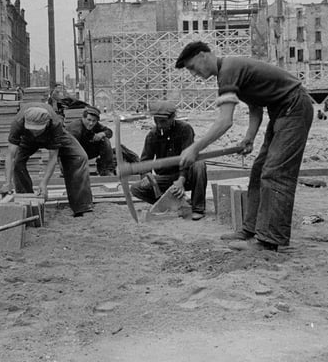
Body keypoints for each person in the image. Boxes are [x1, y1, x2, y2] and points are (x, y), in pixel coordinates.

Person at [174, 41, 314, 252]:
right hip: (281, 109)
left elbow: (225, 121)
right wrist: (249, 137)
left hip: (294, 107)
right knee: (259, 170)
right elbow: (255, 106)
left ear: (203, 55)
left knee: (275, 172)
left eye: (193, 67)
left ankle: (269, 240)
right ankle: (250, 229)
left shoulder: (228, 70)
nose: (194, 74)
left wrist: (195, 148)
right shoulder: (230, 70)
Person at [0, 103, 94, 217]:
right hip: (27, 139)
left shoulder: (55, 124)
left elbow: (53, 157)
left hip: (51, 136)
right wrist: (7, 183)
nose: (35, 132)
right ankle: (27, 202)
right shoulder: (18, 123)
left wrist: (44, 184)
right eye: (32, 129)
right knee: (18, 161)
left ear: (47, 123)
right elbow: (10, 155)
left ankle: (82, 207)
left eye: (37, 130)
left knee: (80, 157)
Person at [130, 101, 208, 220]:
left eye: (163, 121)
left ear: (172, 118)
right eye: (156, 121)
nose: (159, 125)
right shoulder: (152, 135)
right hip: (166, 179)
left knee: (199, 164)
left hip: (185, 176)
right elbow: (145, 161)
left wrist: (181, 180)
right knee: (136, 188)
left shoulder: (185, 129)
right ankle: (170, 203)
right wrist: (147, 176)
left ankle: (198, 208)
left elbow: (187, 158)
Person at [65, 107, 116, 176]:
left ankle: (106, 170)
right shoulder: (75, 129)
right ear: (83, 118)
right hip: (70, 154)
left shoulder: (95, 125)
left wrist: (102, 134)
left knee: (105, 141)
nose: (91, 123)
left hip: (85, 150)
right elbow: (68, 149)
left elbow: (109, 132)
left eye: (94, 121)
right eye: (88, 120)